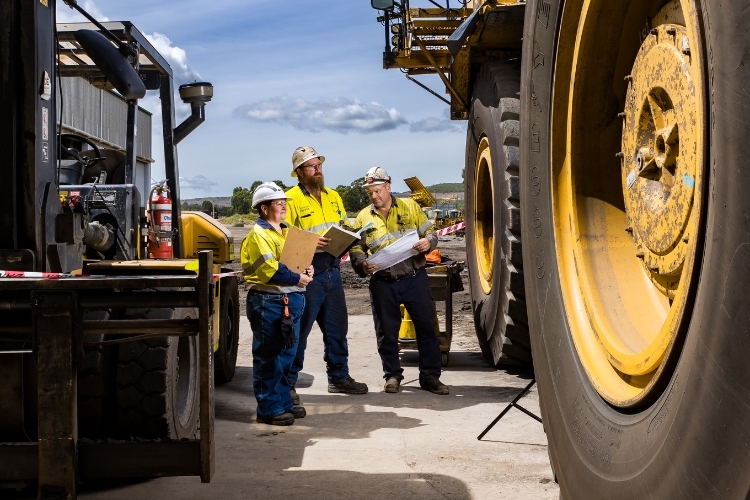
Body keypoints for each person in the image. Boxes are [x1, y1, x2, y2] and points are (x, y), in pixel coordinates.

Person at [349, 167, 449, 395]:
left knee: (426, 328)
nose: (374, 196)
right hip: (383, 283)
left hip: (414, 279)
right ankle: (392, 376)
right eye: (370, 193)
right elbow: (356, 248)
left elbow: (430, 232)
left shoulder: (410, 206)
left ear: (388, 187)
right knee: (386, 332)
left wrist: (428, 243)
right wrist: (362, 264)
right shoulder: (364, 217)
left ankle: (430, 377)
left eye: (377, 191)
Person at [284, 146, 368, 403]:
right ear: (299, 172)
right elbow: (284, 235)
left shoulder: (334, 196)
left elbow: (342, 225)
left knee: (336, 330)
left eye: (319, 165)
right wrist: (311, 241)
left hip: (332, 271)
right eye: (311, 166)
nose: (318, 169)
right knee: (299, 333)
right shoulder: (290, 199)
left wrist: (351, 236)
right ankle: (287, 385)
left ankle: (339, 377)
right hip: (307, 275)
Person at [241, 182, 314, 426]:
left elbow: (294, 262)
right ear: (264, 208)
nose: (283, 207)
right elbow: (270, 271)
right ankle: (269, 408)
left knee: (285, 356)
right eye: (278, 203)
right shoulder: (258, 235)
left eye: (284, 203)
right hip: (269, 301)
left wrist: (306, 269)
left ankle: (282, 402)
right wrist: (299, 278)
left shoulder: (285, 231)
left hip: (288, 300)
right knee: (269, 357)